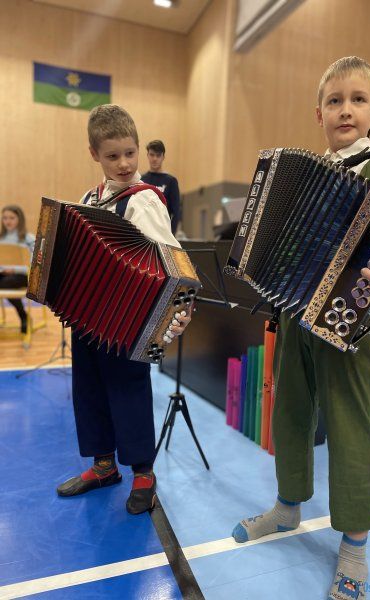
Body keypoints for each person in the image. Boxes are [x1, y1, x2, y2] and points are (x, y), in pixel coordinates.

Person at [231, 57, 370, 599]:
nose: (345, 109)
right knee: (289, 413)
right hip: (295, 316)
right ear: (319, 113)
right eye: (334, 101)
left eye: (357, 99)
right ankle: (287, 507)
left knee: (351, 426)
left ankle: (354, 547)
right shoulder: (305, 171)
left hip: (354, 325)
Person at [56, 104, 191, 515]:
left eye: (130, 153)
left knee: (128, 391)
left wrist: (179, 309)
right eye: (112, 156)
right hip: (86, 316)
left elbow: (173, 261)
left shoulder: (145, 200)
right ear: (94, 154)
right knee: (89, 389)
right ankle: (103, 466)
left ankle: (143, 473)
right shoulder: (88, 199)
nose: (125, 164)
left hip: (128, 320)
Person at [0, 205, 35, 333]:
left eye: (11, 218)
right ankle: (24, 316)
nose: (8, 221)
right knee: (4, 282)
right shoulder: (1, 238)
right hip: (3, 275)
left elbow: (34, 263)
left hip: (23, 276)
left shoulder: (28, 239)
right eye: (5, 218)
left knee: (5, 283)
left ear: (19, 219)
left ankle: (23, 316)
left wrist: (14, 269)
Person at [141, 140, 180, 234]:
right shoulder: (141, 181)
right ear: (147, 155)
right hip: (144, 232)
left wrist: (171, 236)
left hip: (163, 233)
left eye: (158, 155)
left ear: (163, 157)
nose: (155, 159)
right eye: (152, 155)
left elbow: (176, 212)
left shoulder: (171, 181)